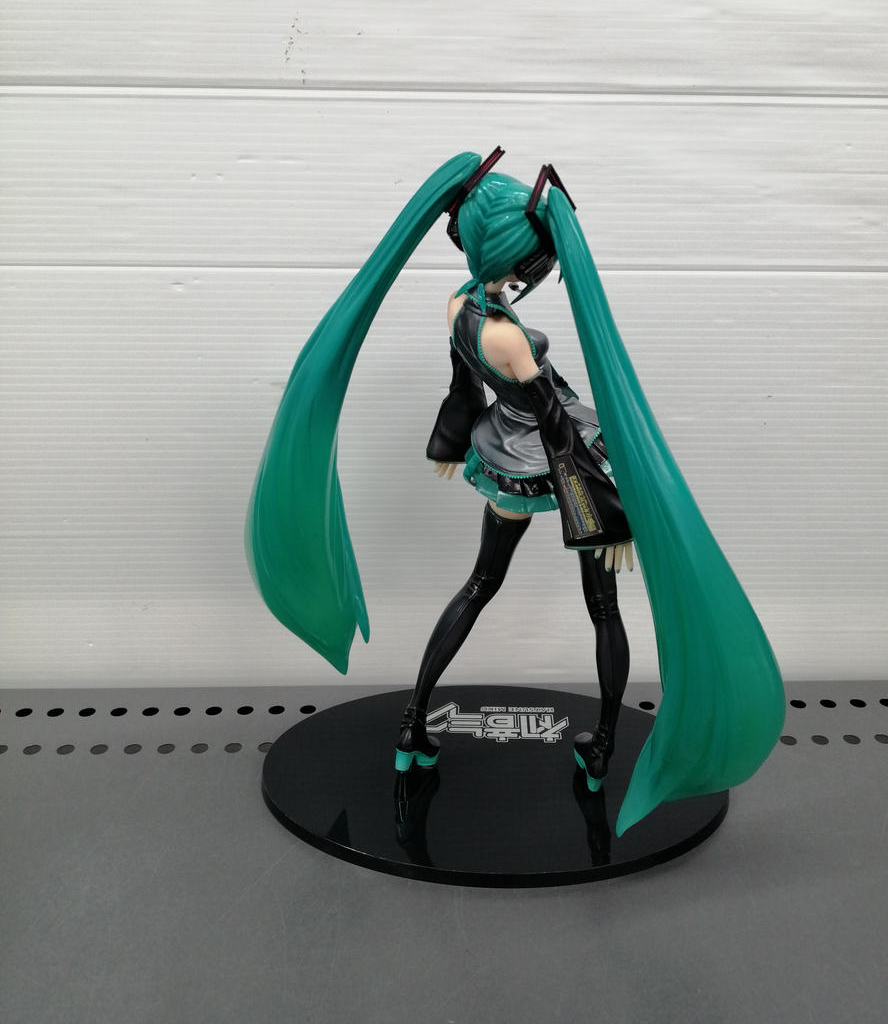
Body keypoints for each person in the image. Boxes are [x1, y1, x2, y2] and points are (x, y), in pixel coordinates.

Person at [246, 150, 784, 835]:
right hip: (550, 456)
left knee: (480, 584)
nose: (534, 280)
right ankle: (601, 747)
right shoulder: (509, 339)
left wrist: (453, 438)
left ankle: (412, 726)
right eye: (531, 270)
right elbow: (556, 426)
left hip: (503, 446)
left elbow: (462, 378)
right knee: (602, 606)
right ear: (508, 263)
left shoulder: (461, 304)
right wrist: (605, 516)